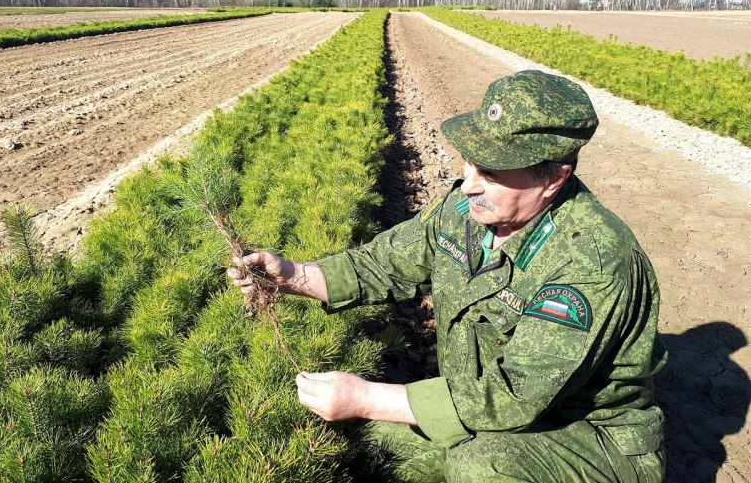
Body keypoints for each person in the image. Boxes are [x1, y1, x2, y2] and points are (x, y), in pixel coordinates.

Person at [229, 70, 667, 482]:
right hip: (482, 407)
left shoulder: (592, 262)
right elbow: (382, 263)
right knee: (373, 443)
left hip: (586, 435)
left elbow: (515, 393)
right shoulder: (466, 210)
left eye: (490, 174)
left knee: (482, 468)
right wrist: (290, 275)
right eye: (469, 163)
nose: (468, 183)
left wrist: (365, 397)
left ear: (553, 179)